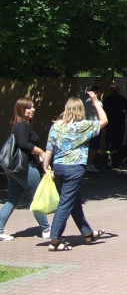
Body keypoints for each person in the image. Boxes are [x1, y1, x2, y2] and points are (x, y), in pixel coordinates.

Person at [43, 91, 108, 251]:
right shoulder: (82, 126)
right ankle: (55, 239)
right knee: (66, 203)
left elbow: (49, 148)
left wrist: (45, 166)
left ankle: (87, 234)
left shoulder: (56, 126)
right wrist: (95, 101)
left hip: (59, 167)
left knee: (74, 201)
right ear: (80, 110)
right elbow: (104, 120)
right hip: (74, 168)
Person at [0, 98, 51, 241]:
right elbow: (23, 144)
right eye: (28, 108)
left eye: (33, 107)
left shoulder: (19, 125)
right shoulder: (22, 125)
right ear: (21, 110)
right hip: (25, 169)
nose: (32, 110)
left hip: (14, 169)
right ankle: (46, 229)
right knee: (37, 198)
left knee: (12, 200)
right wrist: (41, 152)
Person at [103, 82, 127, 168]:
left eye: (116, 88)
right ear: (111, 90)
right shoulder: (107, 100)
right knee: (110, 144)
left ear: (119, 89)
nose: (115, 90)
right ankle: (109, 162)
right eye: (113, 89)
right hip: (110, 126)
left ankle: (117, 162)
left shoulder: (123, 100)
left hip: (120, 126)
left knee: (119, 144)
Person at [84, 86, 103, 173]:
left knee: (88, 146)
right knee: (94, 147)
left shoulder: (85, 102)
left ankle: (86, 163)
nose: (98, 94)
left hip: (87, 126)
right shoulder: (98, 103)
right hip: (96, 125)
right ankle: (89, 164)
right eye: (97, 92)